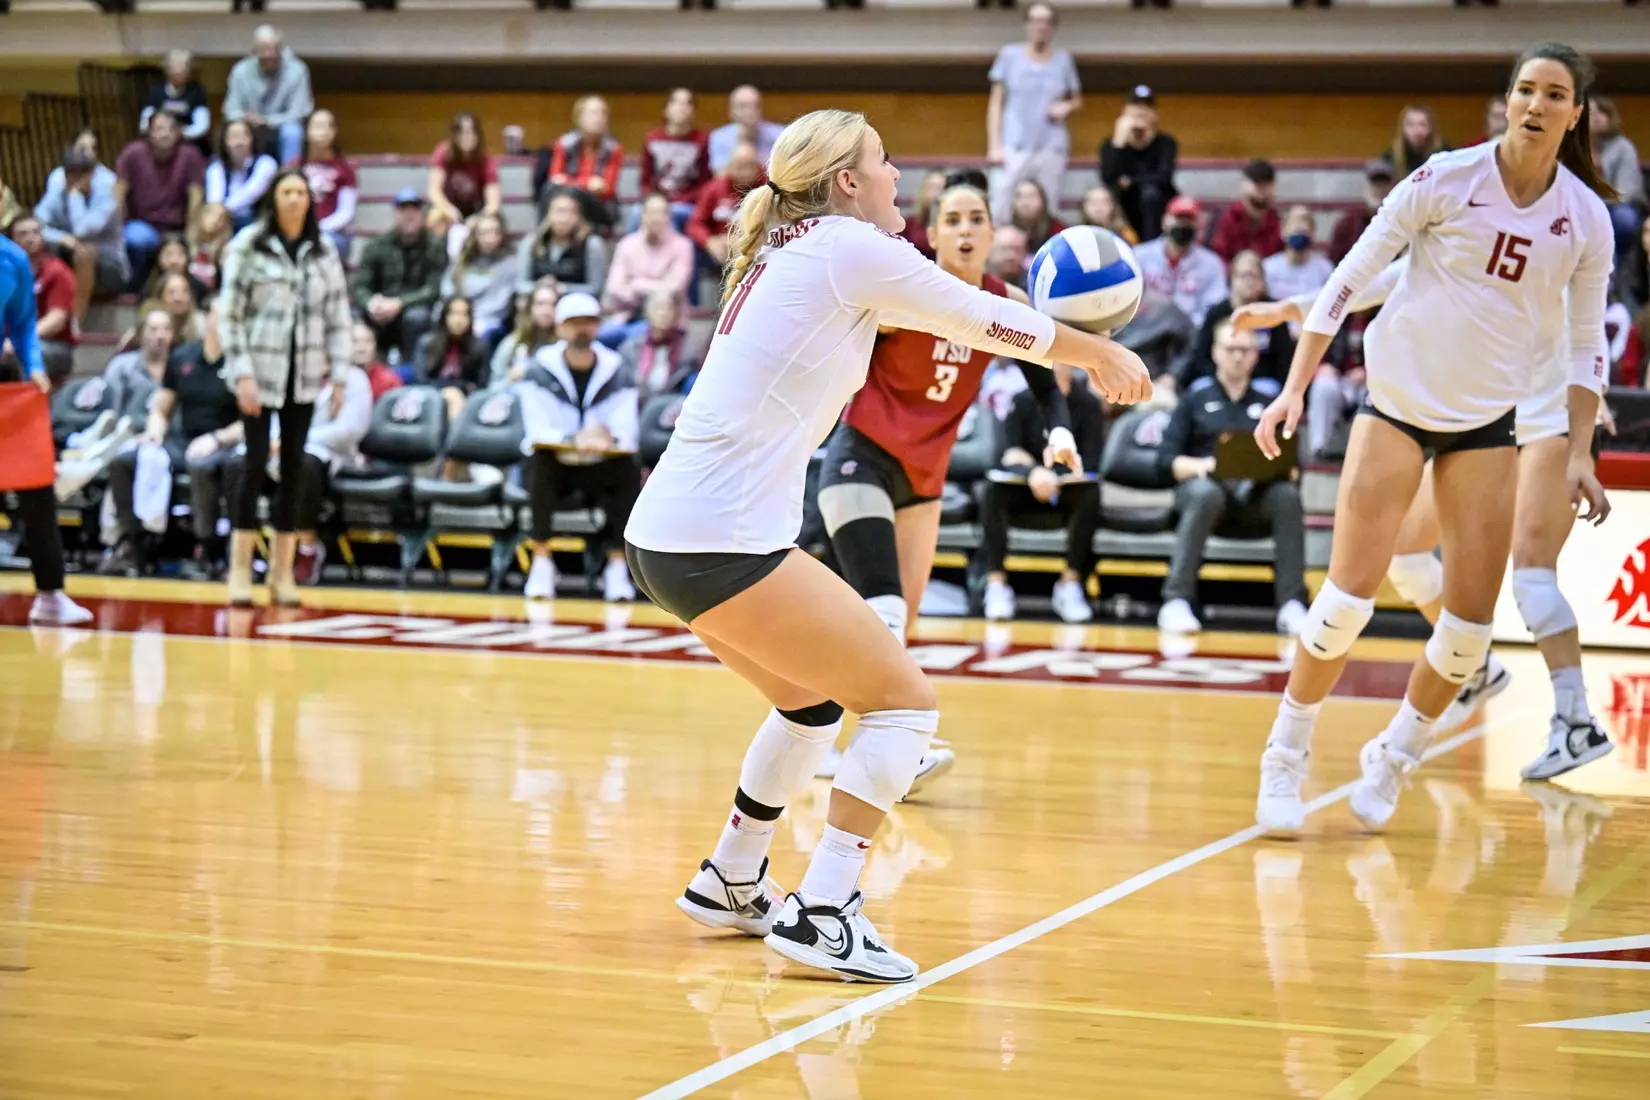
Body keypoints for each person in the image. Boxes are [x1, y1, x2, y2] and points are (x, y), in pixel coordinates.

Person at [623, 109, 1149, 983]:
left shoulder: (801, 251)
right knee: (904, 704)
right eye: (884, 160)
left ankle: (734, 877)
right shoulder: (846, 248)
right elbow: (981, 317)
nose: (900, 174)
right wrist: (1094, 350)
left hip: (671, 537)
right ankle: (826, 909)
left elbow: (973, 320)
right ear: (846, 183)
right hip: (719, 541)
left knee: (811, 706)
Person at [1251, 44, 1614, 838]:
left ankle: (1395, 755)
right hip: (1395, 408)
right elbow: (1350, 280)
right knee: (1344, 603)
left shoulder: (1586, 219)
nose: (1536, 104)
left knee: (1468, 633)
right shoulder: (1445, 178)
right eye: (1525, 89)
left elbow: (1588, 349)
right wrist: (1294, 387)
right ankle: (1286, 750)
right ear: (1508, 99)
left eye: (1555, 94)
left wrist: (1580, 451)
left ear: (1575, 113)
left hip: (1488, 425)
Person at [1247, 246, 1619, 781]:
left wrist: (1592, 407)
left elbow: (1588, 335)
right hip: (1489, 418)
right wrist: (1293, 308)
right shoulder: (1476, 227)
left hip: (1552, 418)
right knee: (1404, 548)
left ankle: (1575, 720)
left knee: (1533, 576)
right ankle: (1477, 670)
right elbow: (1392, 276)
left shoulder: (1566, 231)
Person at [815, 181, 1079, 790]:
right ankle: (891, 755)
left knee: (894, 624)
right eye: (951, 219)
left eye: (976, 219)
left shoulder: (1005, 301)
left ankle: (840, 744)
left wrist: (1057, 434)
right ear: (931, 235)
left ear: (992, 235)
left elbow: (1045, 382)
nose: (964, 229)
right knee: (881, 608)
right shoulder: (905, 288)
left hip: (924, 476)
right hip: (862, 456)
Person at [220, 168, 353, 608]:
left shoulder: (323, 250)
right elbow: (231, 316)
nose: (295, 199)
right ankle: (240, 569)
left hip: (305, 373)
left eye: (301, 192)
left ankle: (281, 571)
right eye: (287, 192)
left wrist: (339, 373)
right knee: (254, 463)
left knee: (294, 467)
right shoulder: (248, 245)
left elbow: (338, 315)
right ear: (274, 199)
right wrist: (241, 373)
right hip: (259, 371)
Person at [1157, 320, 1306, 636]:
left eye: (1245, 350)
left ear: (1254, 356)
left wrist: (1283, 469)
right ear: (1215, 353)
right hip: (1204, 493)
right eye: (1231, 349)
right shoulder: (1194, 401)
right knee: (1204, 494)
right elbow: (1165, 461)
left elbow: (1294, 468)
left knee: (1287, 497)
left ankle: (1292, 603)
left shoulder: (1269, 406)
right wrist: (1206, 466)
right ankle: (1176, 600)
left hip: (1254, 497)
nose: (1238, 356)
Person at [102, 296, 241, 577]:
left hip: (227, 442)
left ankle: (207, 547)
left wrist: (216, 439)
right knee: (125, 461)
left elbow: (249, 422)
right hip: (182, 439)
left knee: (201, 465)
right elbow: (161, 408)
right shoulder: (183, 358)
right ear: (206, 321)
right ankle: (134, 543)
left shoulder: (242, 363)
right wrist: (154, 432)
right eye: (219, 316)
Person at [518, 291, 640, 603]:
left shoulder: (617, 369)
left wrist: (607, 439)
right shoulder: (539, 369)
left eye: (588, 322)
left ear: (598, 326)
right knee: (538, 461)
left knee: (628, 467)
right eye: (573, 323)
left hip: (602, 463)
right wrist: (576, 439)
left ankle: (616, 566)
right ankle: (542, 561)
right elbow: (537, 430)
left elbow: (627, 431)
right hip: (558, 465)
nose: (581, 329)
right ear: (559, 328)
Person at [0, 232, 92, 626]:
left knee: (36, 484)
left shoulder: (13, 259)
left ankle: (50, 594)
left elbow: (22, 324)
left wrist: (34, 364)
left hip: (6, 386)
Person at [980, 361, 1105, 624]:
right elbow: (1006, 455)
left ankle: (1070, 584)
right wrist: (1034, 474)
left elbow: (1092, 463)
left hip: (1067, 493)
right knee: (992, 490)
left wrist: (1049, 474)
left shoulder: (1088, 405)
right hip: (1024, 491)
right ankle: (996, 584)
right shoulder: (1022, 401)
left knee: (1091, 493)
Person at [986, 2, 1081, 226]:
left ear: (1053, 27)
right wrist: (994, 145)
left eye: (1047, 21)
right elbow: (996, 103)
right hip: (1014, 144)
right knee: (1001, 203)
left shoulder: (1063, 60)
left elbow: (1077, 99)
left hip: (1051, 146)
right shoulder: (1009, 55)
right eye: (1036, 20)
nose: (1042, 26)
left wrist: (1065, 107)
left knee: (1047, 205)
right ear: (1027, 25)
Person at [1171, 249, 1293, 396]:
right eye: (1243, 275)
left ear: (1263, 281)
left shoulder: (1275, 312)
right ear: (1232, 278)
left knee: (1270, 390)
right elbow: (1201, 356)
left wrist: (1245, 381)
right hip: (1217, 379)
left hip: (1260, 381)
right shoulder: (1216, 313)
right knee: (1199, 389)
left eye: (1254, 276)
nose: (1249, 282)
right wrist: (1223, 379)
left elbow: (1283, 360)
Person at [34, 139, 128, 321]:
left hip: (110, 268)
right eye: (71, 172)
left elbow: (82, 230)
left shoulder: (106, 196)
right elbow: (36, 224)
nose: (75, 177)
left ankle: (75, 321)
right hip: (71, 257)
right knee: (34, 243)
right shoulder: (57, 193)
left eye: (82, 172)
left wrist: (75, 196)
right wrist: (63, 239)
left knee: (85, 252)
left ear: (92, 173)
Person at [351, 189, 445, 361]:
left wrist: (400, 303)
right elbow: (360, 286)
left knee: (416, 317)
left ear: (421, 214)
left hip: (413, 309)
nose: (409, 216)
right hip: (380, 309)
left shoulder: (435, 246)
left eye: (414, 211)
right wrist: (370, 302)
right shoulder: (376, 245)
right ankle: (368, 369)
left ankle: (413, 369)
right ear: (395, 214)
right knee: (357, 315)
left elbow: (433, 289)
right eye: (403, 211)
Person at [115, 110, 206, 290]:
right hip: (142, 224)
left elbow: (196, 199)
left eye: (171, 129)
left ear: (179, 132)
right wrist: (120, 227)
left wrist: (191, 237)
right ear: (149, 132)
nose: (165, 133)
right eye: (158, 128)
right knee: (137, 240)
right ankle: (136, 290)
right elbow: (118, 194)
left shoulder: (190, 155)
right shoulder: (132, 153)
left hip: (177, 227)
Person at [222, 24, 313, 167]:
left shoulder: (297, 70)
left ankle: (289, 177)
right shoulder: (240, 71)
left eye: (275, 49)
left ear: (281, 49)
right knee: (235, 132)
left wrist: (267, 121)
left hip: (281, 128)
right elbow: (230, 110)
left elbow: (299, 113)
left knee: (293, 132)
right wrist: (245, 117)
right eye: (263, 49)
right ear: (254, 51)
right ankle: (237, 179)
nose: (270, 54)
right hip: (250, 127)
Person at [602, 194, 694, 335]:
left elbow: (674, 287)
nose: (656, 218)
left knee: (640, 335)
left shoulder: (683, 246)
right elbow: (615, 288)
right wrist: (657, 287)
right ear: (642, 216)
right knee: (602, 336)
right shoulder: (626, 245)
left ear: (669, 217)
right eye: (651, 212)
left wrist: (637, 285)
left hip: (666, 321)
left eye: (661, 213)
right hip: (627, 317)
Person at [1134, 195, 1229, 328]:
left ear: (1198, 225)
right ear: (1164, 221)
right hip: (1144, 330)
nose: (1183, 225)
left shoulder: (1212, 264)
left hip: (1191, 335)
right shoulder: (1139, 256)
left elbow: (1213, 308)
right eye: (1179, 219)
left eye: (1189, 220)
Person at [1098, 84, 1177, 242]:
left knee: (1150, 193)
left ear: (1155, 115)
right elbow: (1108, 179)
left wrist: (1131, 181)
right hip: (1124, 207)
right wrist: (1118, 143)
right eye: (1135, 106)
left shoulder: (1165, 143)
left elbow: (1164, 178)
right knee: (1099, 199)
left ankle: (1151, 245)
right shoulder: (1111, 145)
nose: (1141, 111)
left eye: (1147, 107)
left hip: (1156, 208)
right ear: (1125, 112)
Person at [6, 216, 76, 385]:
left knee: (27, 354)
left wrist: (20, 341)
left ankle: (29, 410)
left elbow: (56, 320)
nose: (30, 238)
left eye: (35, 232)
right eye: (23, 234)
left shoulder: (57, 272)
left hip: (54, 345)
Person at [540, 98, 621, 232]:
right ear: (579, 118)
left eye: (602, 114)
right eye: (593, 113)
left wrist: (569, 181)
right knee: (550, 190)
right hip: (568, 197)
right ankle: (544, 237)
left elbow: (607, 189)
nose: (598, 118)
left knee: (574, 195)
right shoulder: (564, 143)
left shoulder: (613, 148)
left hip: (598, 206)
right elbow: (555, 178)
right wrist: (586, 183)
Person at [440, 211, 518, 349]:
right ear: (474, 236)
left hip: (489, 319)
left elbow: (501, 303)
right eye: (485, 233)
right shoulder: (462, 260)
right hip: (459, 314)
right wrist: (460, 313)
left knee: (480, 337)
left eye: (495, 233)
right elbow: (447, 288)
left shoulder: (510, 264)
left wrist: (472, 319)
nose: (490, 238)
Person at [639, 88, 712, 229]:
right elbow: (645, 182)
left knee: (675, 214)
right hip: (657, 201)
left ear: (693, 112)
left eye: (687, 104)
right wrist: (655, 201)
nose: (682, 108)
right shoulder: (652, 139)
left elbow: (705, 184)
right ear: (666, 110)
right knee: (637, 214)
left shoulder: (703, 140)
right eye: (676, 103)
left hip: (688, 204)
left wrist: (680, 200)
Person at [518, 193, 609, 301]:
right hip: (539, 306)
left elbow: (596, 288)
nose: (565, 219)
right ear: (548, 214)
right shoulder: (531, 242)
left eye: (571, 212)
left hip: (576, 306)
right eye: (559, 211)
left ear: (579, 216)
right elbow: (520, 285)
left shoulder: (592, 244)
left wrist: (562, 289)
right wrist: (542, 287)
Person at [428, 111, 502, 244]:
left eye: (471, 131)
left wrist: (478, 218)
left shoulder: (486, 158)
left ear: (478, 135)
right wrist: (448, 209)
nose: (467, 136)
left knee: (492, 224)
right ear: (454, 135)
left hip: (476, 210)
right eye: (461, 132)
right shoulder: (443, 152)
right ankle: (438, 259)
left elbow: (493, 203)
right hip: (448, 207)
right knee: (435, 219)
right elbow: (434, 191)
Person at [415, 297, 489, 421]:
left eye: (464, 315)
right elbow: (421, 380)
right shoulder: (427, 343)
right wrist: (450, 390)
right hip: (431, 398)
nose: (459, 320)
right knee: (452, 396)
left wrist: (459, 390)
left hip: (466, 401)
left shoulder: (479, 347)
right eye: (454, 314)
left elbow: (482, 385)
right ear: (444, 317)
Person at [298, 109, 357, 259]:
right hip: (297, 228)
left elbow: (346, 213)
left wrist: (317, 229)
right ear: (306, 131)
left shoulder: (345, 169)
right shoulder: (294, 167)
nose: (323, 131)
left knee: (334, 243)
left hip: (331, 232)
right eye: (318, 126)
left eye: (329, 126)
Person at [206, 119, 278, 232]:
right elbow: (214, 199)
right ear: (224, 141)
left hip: (257, 223)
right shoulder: (216, 168)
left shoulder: (266, 163)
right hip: (224, 223)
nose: (239, 142)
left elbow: (252, 192)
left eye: (245, 136)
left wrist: (223, 209)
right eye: (234, 136)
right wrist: (217, 211)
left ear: (252, 139)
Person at [1209, 159, 1283, 263]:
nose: (1261, 196)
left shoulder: (1277, 223)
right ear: (1243, 186)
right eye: (1257, 186)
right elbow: (1217, 258)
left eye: (1266, 186)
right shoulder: (1226, 218)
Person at [491, 277, 561, 387]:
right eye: (540, 303)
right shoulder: (512, 343)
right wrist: (511, 379)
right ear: (530, 307)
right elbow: (493, 386)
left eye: (553, 304)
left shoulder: (564, 346)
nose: (546, 310)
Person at [139, 49, 211, 149]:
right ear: (167, 69)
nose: (179, 71)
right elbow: (144, 124)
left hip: (189, 145)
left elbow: (202, 126)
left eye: (183, 67)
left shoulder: (196, 92)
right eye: (175, 66)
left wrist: (180, 133)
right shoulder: (156, 92)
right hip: (160, 144)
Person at [1263, 206, 1334, 305]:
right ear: (1283, 232)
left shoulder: (1324, 269)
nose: (1299, 233)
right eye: (1295, 228)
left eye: (1304, 231)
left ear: (1313, 234)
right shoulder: (1268, 268)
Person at [1329, 159, 1396, 264]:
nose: (1379, 189)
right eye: (1375, 183)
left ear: (1392, 187)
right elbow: (1334, 261)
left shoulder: (1402, 220)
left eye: (1384, 183)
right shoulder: (1348, 224)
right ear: (1366, 186)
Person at [708, 85, 786, 174]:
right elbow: (719, 175)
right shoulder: (719, 136)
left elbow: (784, 173)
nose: (749, 112)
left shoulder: (780, 135)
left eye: (755, 106)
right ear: (731, 111)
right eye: (743, 106)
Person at [1381, 104, 1447, 177]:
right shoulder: (1391, 157)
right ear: (1402, 128)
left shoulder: (1444, 153)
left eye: (1422, 124)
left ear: (1431, 128)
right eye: (1410, 124)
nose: (1416, 130)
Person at [1009, 178, 1065, 255]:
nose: (1025, 202)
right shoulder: (1006, 233)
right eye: (1019, 196)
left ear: (1043, 201)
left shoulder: (1058, 232)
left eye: (1031, 196)